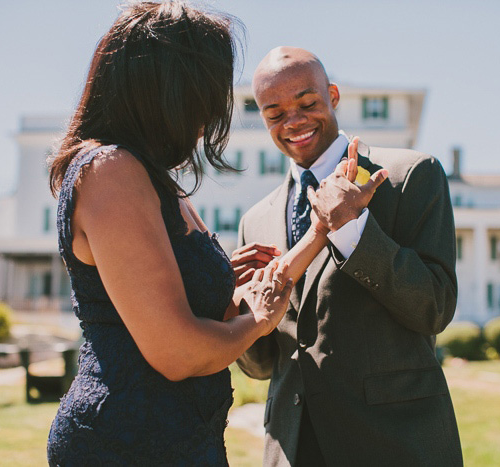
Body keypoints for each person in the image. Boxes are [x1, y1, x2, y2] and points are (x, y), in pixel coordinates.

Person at [45, 5, 342, 465]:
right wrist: (259, 320)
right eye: (205, 93)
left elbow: (199, 316)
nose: (209, 114)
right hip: (126, 444)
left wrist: (237, 285)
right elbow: (178, 352)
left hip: (184, 439)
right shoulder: (111, 171)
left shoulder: (154, 178)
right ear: (166, 88)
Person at [232, 47, 463, 466]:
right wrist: (238, 310)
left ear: (333, 95)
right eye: (275, 113)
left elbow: (435, 307)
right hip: (291, 448)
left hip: (393, 445)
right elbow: (264, 366)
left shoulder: (409, 176)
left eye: (307, 103)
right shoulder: (255, 221)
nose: (294, 122)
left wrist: (352, 230)